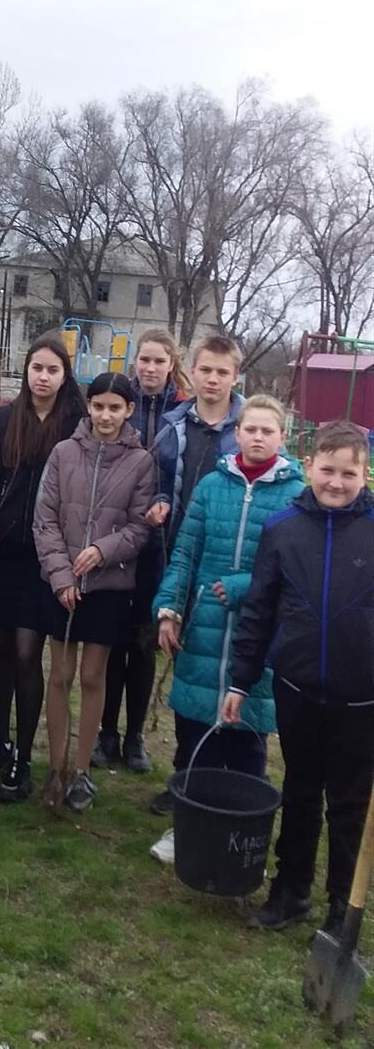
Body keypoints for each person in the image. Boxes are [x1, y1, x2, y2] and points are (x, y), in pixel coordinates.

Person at [222, 421, 374, 937]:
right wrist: (241, 681)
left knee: (350, 803)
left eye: (348, 473)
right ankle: (291, 891)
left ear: (364, 473)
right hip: (298, 687)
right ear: (308, 466)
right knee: (302, 792)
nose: (336, 482)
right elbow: (259, 611)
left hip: (362, 698)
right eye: (327, 470)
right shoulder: (283, 529)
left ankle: (342, 905)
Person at [150, 395, 305, 860]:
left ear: (283, 437)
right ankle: (187, 827)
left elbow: (294, 569)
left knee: (246, 744)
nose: (257, 437)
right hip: (203, 628)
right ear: (238, 433)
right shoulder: (212, 487)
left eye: (268, 431)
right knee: (194, 735)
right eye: (250, 429)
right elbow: (185, 552)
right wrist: (169, 608)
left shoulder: (295, 495)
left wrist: (244, 586)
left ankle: (240, 839)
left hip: (258, 637)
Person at [0, 332, 87, 802]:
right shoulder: (3, 420)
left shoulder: (75, 423)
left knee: (26, 654)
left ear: (63, 375)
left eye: (53, 369)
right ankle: (0, 739)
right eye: (37, 368)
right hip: (6, 554)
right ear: (26, 370)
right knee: (0, 653)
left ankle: (23, 756)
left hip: (48, 558)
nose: (43, 377)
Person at [34, 373, 154, 811]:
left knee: (91, 677)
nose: (106, 415)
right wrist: (62, 575)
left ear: (128, 411)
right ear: (88, 406)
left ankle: (82, 771)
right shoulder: (63, 453)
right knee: (60, 675)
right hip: (61, 583)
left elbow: (140, 526)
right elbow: (44, 519)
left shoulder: (140, 461)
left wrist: (102, 551)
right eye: (99, 406)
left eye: (115, 408)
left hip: (107, 586)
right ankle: (56, 767)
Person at [147, 332, 245, 814]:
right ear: (194, 371)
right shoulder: (173, 426)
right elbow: (157, 479)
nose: (212, 379)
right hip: (177, 555)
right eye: (205, 369)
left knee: (220, 670)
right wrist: (160, 501)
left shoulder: (249, 427)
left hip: (223, 565)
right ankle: (183, 778)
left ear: (234, 376)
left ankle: (224, 777)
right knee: (187, 674)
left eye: (222, 372)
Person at [92, 329, 189, 773]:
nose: (150, 368)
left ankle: (134, 739)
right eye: (144, 360)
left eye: (158, 361)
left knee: (144, 642)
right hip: (118, 534)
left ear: (171, 364)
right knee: (113, 639)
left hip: (160, 545)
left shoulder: (181, 412)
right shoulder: (121, 404)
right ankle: (105, 732)